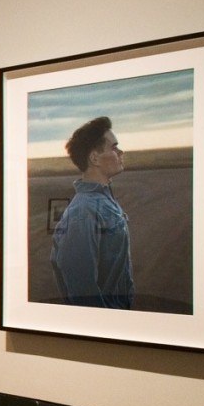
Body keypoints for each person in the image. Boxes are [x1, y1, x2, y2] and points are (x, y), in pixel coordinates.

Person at [50, 115, 133, 308]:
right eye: (114, 147)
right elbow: (81, 289)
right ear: (95, 158)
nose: (121, 152)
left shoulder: (104, 201)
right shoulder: (83, 211)